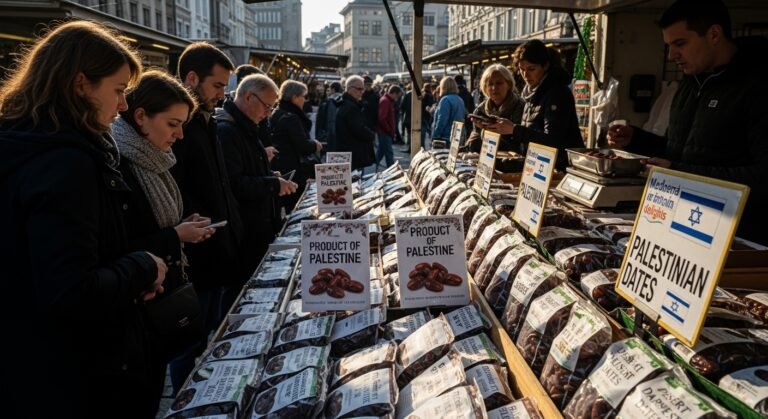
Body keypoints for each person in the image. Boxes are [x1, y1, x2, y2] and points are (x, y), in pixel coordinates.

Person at [0, 21, 167, 418]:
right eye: (118, 90)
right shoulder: (65, 163)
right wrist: (143, 266)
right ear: (80, 85)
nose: (123, 105)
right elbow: (71, 289)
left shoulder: (25, 147)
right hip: (76, 376)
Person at [606, 0, 768, 243]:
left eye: (680, 44)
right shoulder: (690, 85)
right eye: (669, 46)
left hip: (740, 240)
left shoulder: (758, 85)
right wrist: (637, 139)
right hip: (685, 228)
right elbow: (677, 150)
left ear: (714, 34)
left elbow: (763, 178)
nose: (672, 56)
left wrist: (678, 175)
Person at [112, 70, 213, 412]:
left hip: (159, 302)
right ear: (140, 116)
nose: (180, 135)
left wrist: (180, 226)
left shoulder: (153, 161)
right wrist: (174, 235)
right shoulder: (117, 164)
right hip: (132, 314)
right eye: (172, 124)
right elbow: (117, 244)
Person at [170, 41, 243, 391]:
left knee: (208, 332)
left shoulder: (207, 120)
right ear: (192, 78)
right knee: (189, 345)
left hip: (216, 247)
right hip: (196, 253)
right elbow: (176, 189)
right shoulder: (178, 127)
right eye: (217, 86)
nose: (222, 95)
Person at [218, 74, 297, 279]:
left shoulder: (246, 125)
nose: (268, 113)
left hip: (257, 226)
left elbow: (247, 170)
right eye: (266, 106)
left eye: (271, 107)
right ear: (248, 97)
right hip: (246, 232)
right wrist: (272, 184)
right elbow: (235, 184)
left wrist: (269, 175)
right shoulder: (227, 131)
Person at [482, 39, 583, 170]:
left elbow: (554, 141)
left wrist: (514, 129)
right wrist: (502, 130)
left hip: (558, 169)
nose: (525, 75)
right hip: (538, 168)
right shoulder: (531, 93)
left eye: (531, 69)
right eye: (521, 69)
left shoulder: (557, 93)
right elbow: (528, 138)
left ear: (545, 66)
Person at [269, 80, 323, 212]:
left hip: (280, 164)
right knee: (296, 206)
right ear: (294, 97)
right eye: (303, 96)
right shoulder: (291, 117)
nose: (304, 100)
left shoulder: (278, 111)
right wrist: (314, 145)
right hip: (293, 167)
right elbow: (302, 145)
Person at [467, 64, 524, 152]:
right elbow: (475, 146)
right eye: (490, 84)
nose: (494, 88)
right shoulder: (480, 111)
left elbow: (520, 146)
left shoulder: (521, 107)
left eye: (499, 83)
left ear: (509, 84)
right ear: (485, 88)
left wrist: (488, 132)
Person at [335, 75, 376, 170]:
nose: (362, 92)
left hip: (349, 153)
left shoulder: (346, 103)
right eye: (359, 89)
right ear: (349, 89)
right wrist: (371, 135)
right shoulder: (351, 107)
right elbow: (359, 129)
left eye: (363, 89)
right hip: (353, 154)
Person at [431, 76, 466, 143]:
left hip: (445, 138)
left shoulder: (445, 100)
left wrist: (435, 135)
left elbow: (442, 120)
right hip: (457, 137)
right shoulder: (460, 99)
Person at [376, 85, 403, 169]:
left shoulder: (387, 100)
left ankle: (371, 168)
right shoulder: (386, 101)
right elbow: (382, 118)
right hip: (385, 132)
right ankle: (391, 171)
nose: (397, 98)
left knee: (381, 152)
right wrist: (389, 130)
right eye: (398, 96)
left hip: (385, 132)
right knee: (389, 154)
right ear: (394, 93)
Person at [318, 81, 343, 151]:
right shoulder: (345, 99)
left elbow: (330, 118)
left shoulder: (330, 101)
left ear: (333, 89)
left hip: (331, 133)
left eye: (330, 89)